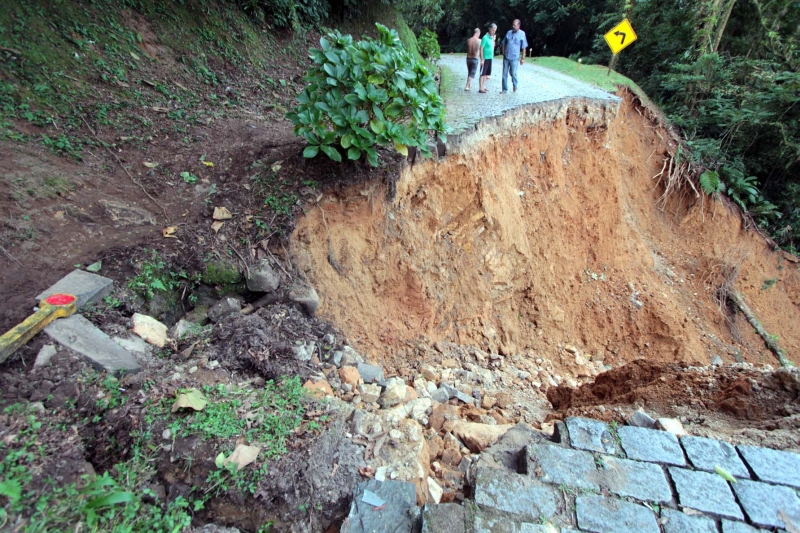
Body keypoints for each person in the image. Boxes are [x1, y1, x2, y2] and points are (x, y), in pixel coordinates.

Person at [500, 19, 528, 94]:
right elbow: (503, 43)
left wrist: (523, 58)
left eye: (515, 25)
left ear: (518, 25)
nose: (513, 26)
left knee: (513, 73)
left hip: (515, 57)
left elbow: (524, 46)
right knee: (504, 74)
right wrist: (503, 52)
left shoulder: (522, 34)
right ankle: (504, 89)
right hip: (506, 56)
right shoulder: (508, 33)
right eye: (513, 25)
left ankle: (515, 85)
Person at [479, 23, 497, 93]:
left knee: (486, 73)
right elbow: (481, 48)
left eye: (495, 30)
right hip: (485, 58)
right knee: (482, 73)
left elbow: (493, 46)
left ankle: (484, 86)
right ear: (489, 29)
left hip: (490, 57)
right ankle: (481, 87)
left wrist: (494, 40)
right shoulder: (485, 37)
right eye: (493, 30)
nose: (493, 32)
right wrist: (482, 59)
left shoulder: (492, 37)